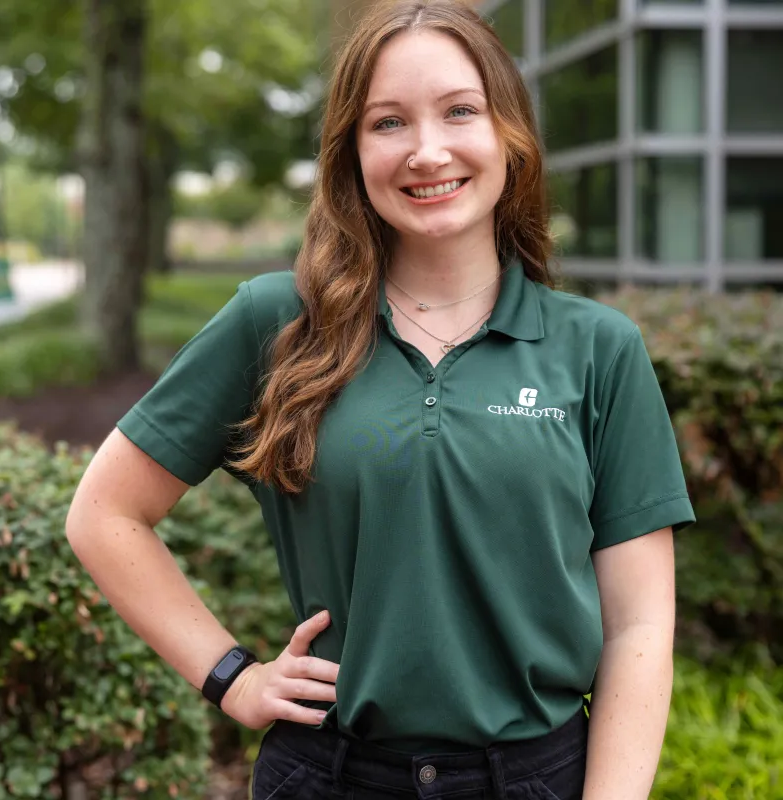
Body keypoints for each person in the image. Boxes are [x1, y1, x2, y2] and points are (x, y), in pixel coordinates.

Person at [66, 1, 696, 798]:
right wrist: (231, 676)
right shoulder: (277, 322)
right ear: (351, 152)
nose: (427, 151)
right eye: (388, 122)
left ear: (510, 135)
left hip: (538, 776)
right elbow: (105, 513)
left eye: (460, 111)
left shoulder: (600, 349)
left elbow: (639, 625)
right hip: (328, 772)